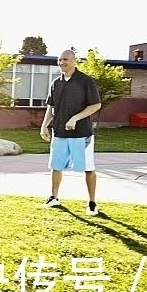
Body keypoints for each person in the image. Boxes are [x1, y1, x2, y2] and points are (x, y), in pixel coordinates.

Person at [39, 49, 102, 215]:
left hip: (82, 134)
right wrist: (44, 125)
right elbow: (51, 107)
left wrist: (75, 118)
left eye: (65, 59)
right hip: (59, 133)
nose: (61, 63)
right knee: (56, 166)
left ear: (74, 61)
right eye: (59, 60)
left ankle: (92, 203)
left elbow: (96, 105)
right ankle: (54, 197)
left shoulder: (85, 81)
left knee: (88, 168)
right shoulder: (56, 83)